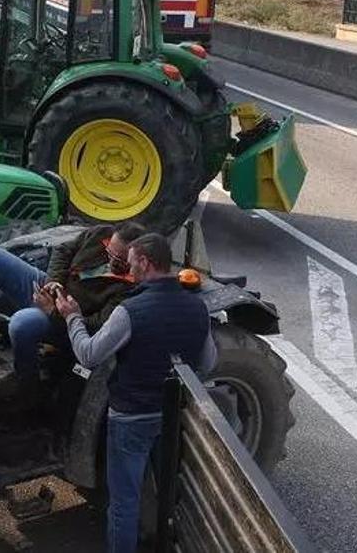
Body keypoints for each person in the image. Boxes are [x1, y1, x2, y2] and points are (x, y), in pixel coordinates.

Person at [54, 233, 216, 553]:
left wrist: (72, 317)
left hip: (130, 419)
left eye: (130, 264)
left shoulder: (130, 311)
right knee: (167, 490)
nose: (128, 271)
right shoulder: (198, 307)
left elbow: (89, 355)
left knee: (124, 504)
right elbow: (208, 362)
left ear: (144, 261)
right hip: (170, 416)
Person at [0, 222, 146, 380]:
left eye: (119, 259)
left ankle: (26, 380)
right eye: (109, 252)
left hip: (65, 320)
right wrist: (54, 282)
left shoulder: (130, 289)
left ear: (136, 259)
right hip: (51, 288)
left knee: (21, 323)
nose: (110, 260)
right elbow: (64, 251)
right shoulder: (100, 233)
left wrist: (54, 311)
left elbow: (96, 327)